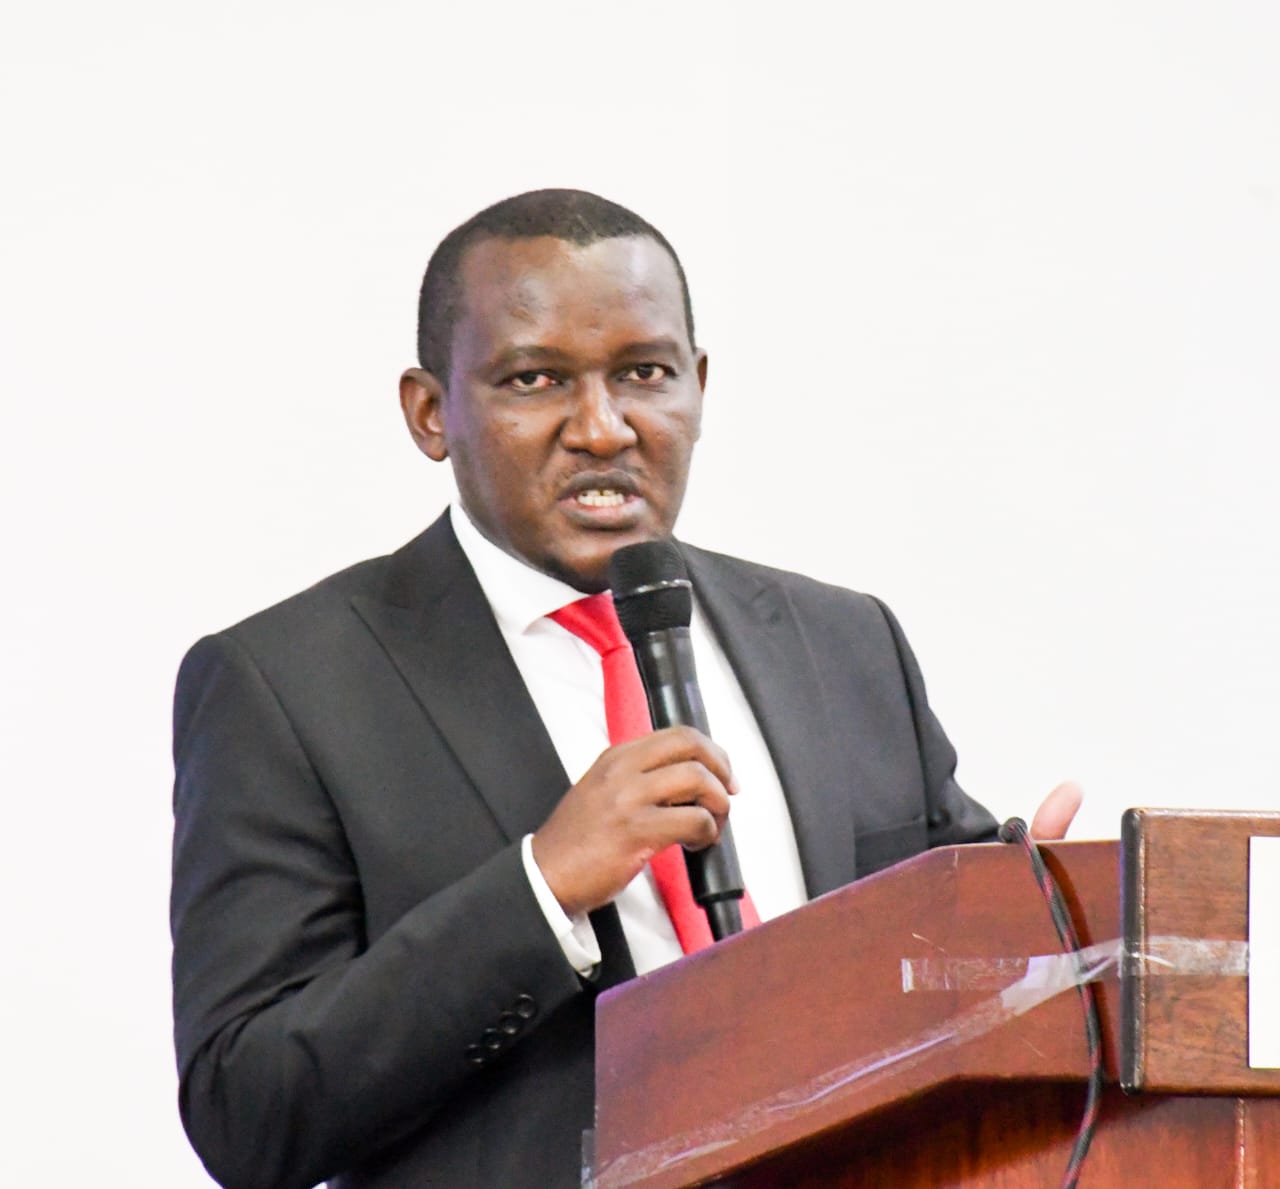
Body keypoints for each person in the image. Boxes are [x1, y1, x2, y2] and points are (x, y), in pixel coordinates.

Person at [171, 189, 1080, 1189]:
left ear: (698, 386)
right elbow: (246, 1110)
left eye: (644, 373)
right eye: (535, 379)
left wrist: (1033, 918)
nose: (602, 429)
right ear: (431, 414)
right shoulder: (289, 686)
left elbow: (939, 979)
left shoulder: (844, 643)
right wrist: (542, 886)